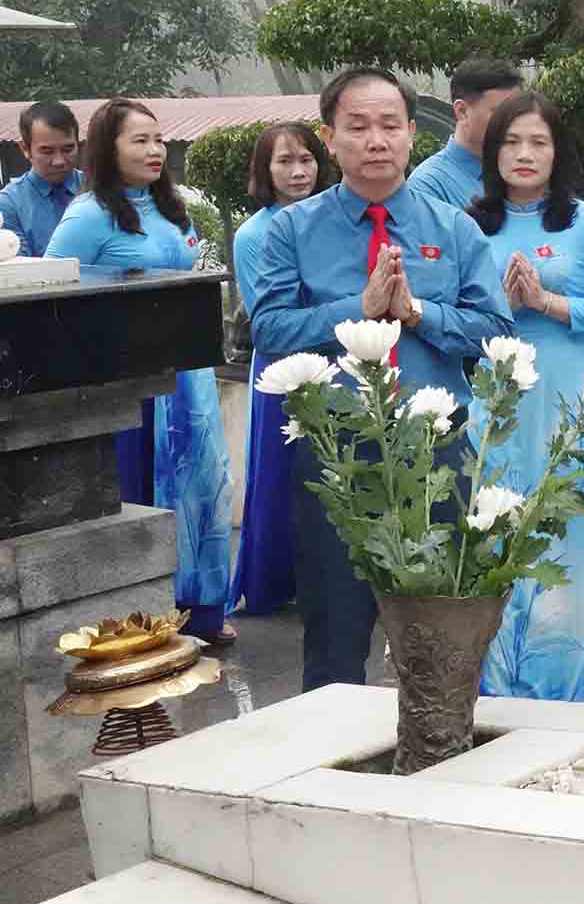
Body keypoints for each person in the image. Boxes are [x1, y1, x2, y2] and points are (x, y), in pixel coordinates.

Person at [251, 67, 515, 691]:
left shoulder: (452, 228)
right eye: (358, 126)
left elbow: (494, 333)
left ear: (410, 136)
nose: (376, 140)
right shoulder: (290, 230)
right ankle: (329, 766)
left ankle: (440, 758)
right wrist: (358, 311)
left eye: (390, 126)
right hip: (337, 450)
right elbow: (268, 331)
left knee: (441, 625)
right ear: (330, 137)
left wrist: (418, 314)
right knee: (335, 625)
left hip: (435, 448)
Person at [467, 92, 584, 703]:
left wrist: (546, 303)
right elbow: (455, 314)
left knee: (568, 530)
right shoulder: (469, 225)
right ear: (492, 150)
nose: (524, 155)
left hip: (569, 394)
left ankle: (561, 678)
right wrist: (500, 304)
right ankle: (497, 676)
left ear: (558, 153)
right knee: (496, 521)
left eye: (539, 142)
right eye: (512, 142)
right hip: (497, 401)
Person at [45, 99, 236, 644]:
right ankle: (151, 620)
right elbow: (56, 293)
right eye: (140, 141)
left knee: (205, 488)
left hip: (191, 378)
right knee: (151, 494)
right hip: (137, 383)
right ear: (109, 149)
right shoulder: (87, 215)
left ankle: (201, 612)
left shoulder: (171, 207)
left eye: (158, 139)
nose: (155, 150)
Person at [229, 122, 336, 617]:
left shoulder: (335, 219)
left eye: (306, 159)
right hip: (281, 368)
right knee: (281, 475)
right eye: (284, 161)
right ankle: (273, 582)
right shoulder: (255, 234)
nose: (297, 171)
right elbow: (269, 315)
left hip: (338, 359)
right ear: (264, 170)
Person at [407, 56, 523, 209]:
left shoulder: (526, 171)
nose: (514, 122)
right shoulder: (429, 186)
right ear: (462, 111)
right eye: (501, 112)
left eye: (519, 112)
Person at [1, 100, 82, 257]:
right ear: (25, 149)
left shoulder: (100, 191)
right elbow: (20, 270)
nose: (59, 161)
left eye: (68, 149)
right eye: (47, 151)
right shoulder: (8, 205)